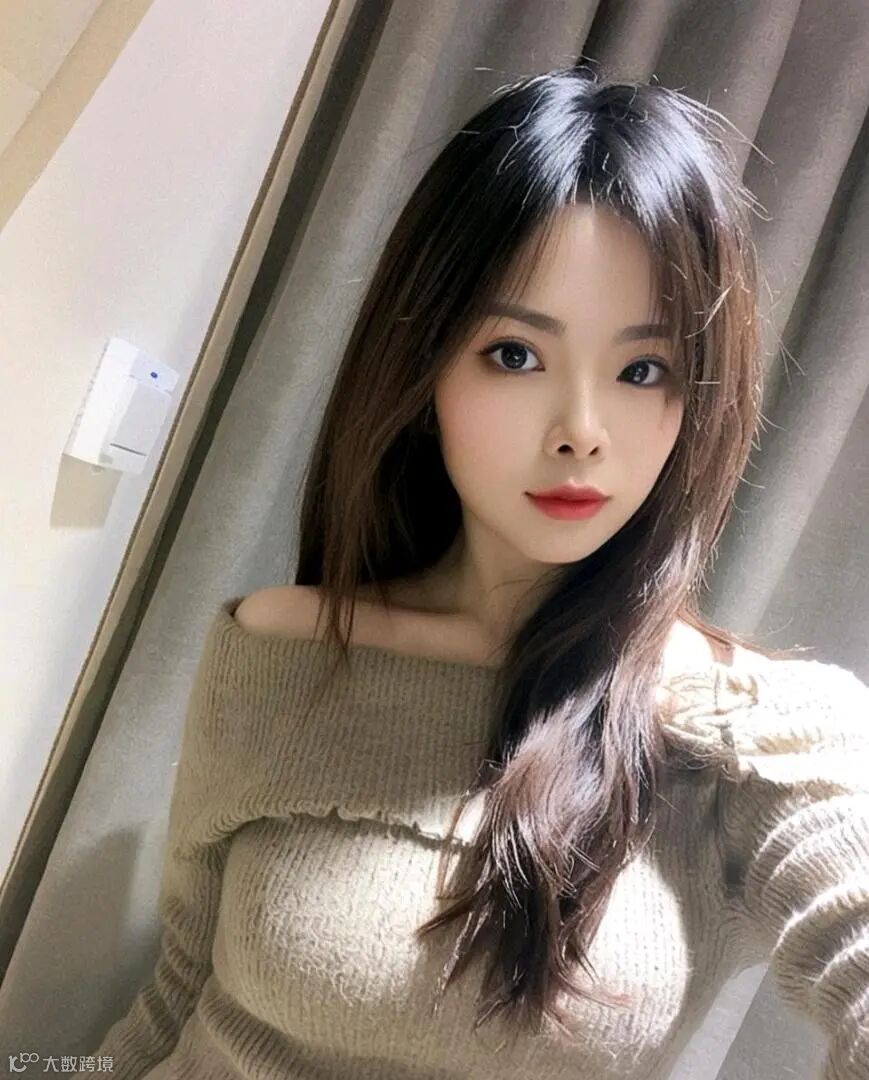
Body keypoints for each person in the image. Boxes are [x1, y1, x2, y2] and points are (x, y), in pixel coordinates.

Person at [74, 66, 869, 1079]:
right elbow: (180, 987)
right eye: (514, 355)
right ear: (425, 369)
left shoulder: (758, 736)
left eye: (642, 370)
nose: (581, 431)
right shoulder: (284, 644)